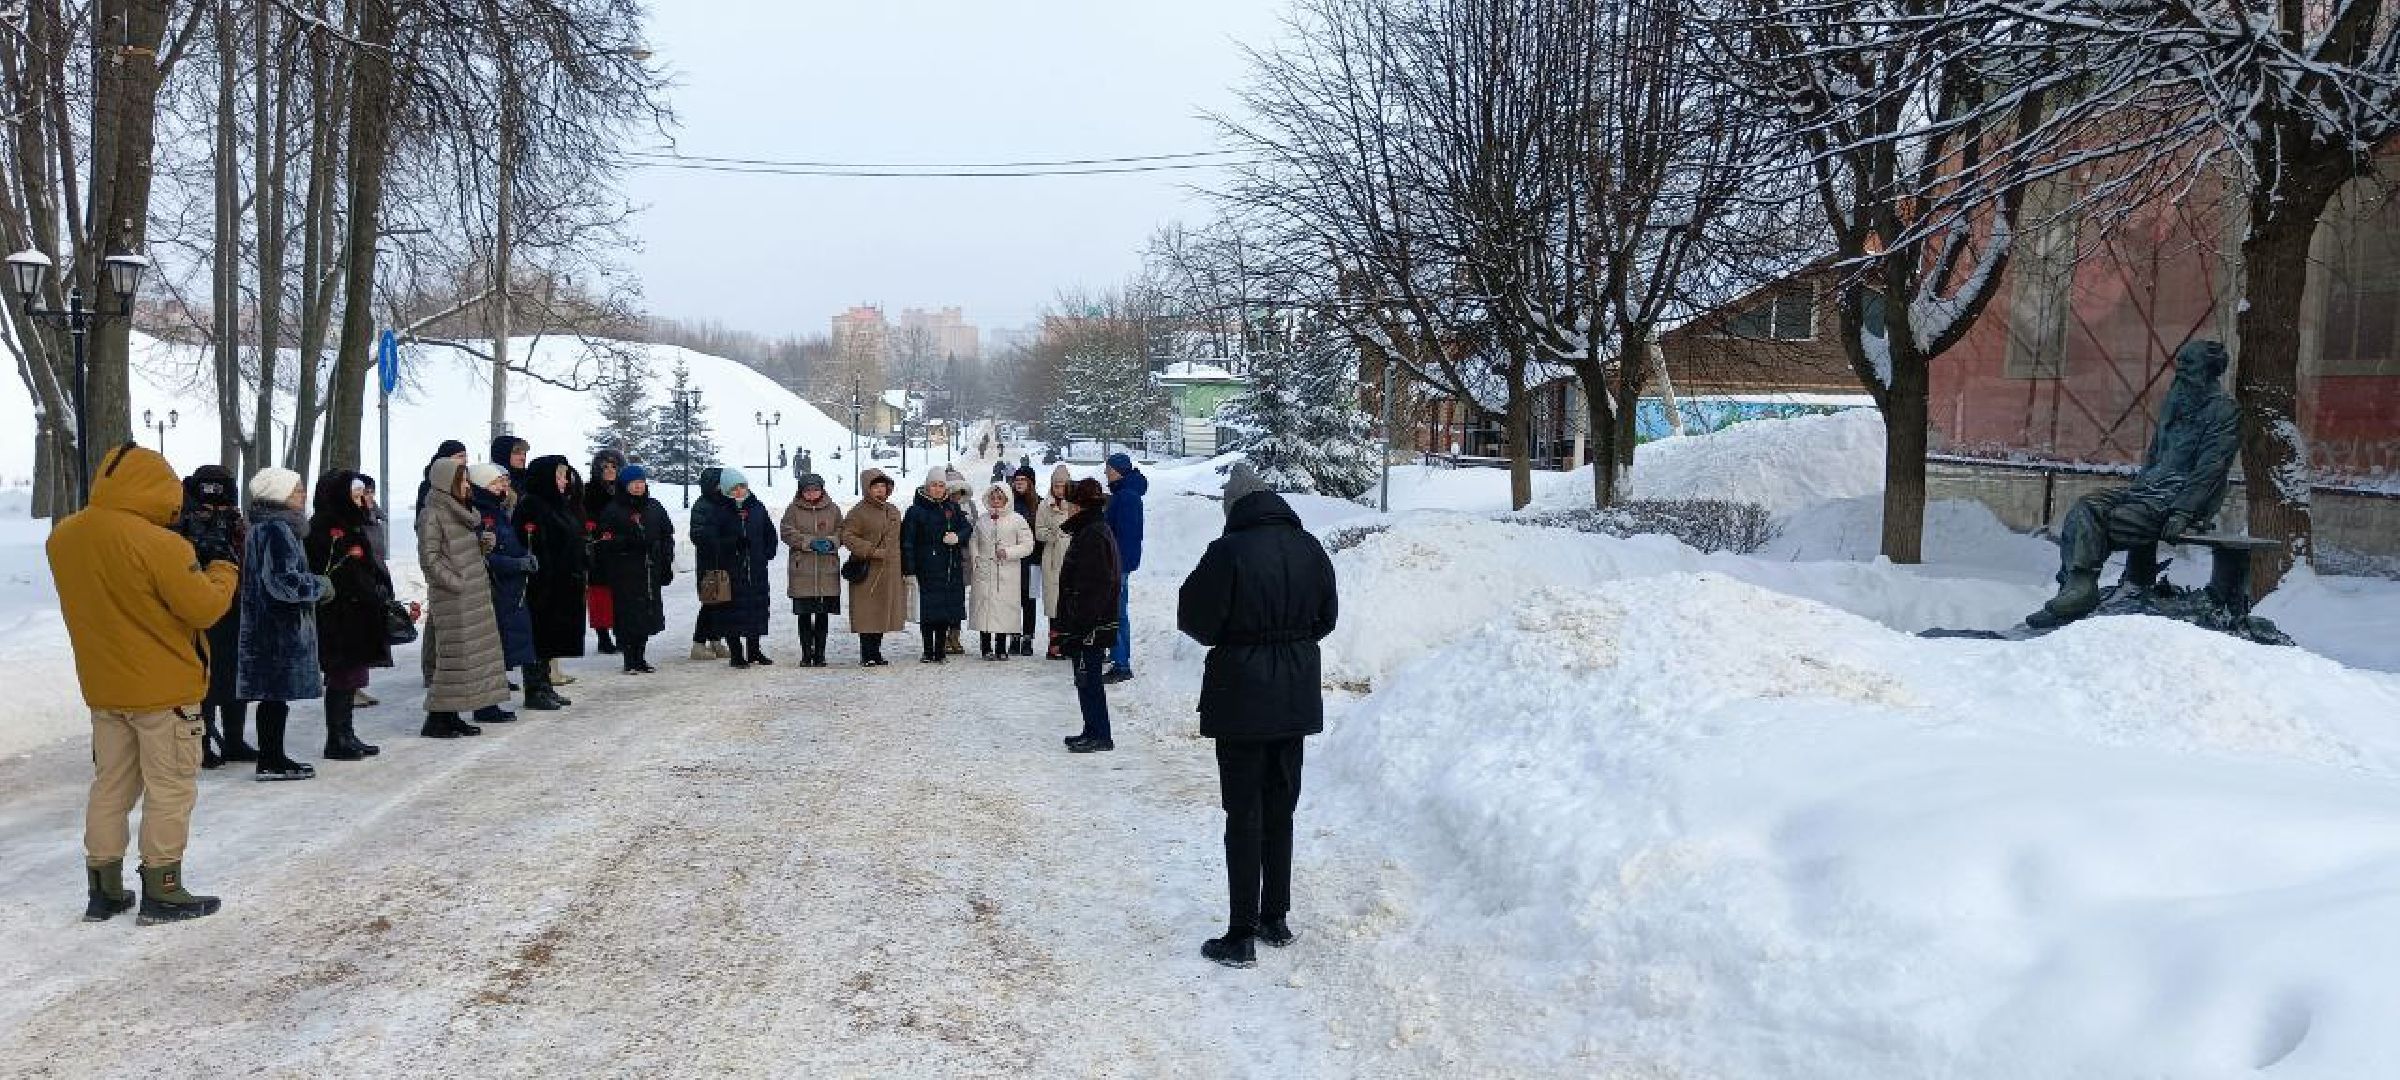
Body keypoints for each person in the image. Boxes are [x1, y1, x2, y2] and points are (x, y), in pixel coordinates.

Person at [50, 444, 239, 924]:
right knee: (170, 789)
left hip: (105, 688)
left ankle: (104, 890)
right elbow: (203, 608)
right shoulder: (160, 545)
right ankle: (163, 889)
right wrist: (222, 566)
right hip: (165, 691)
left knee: (110, 787)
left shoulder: (64, 537)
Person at [1177, 463, 1342, 969]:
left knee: (1243, 813)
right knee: (1280, 809)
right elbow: (1327, 617)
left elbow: (1196, 618)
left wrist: (1242, 637)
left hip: (1241, 695)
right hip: (1294, 693)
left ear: (1234, 507)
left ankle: (1241, 933)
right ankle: (1275, 917)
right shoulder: (1310, 547)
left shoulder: (1227, 551)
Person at [2026, 338, 2243, 628]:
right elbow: (2155, 454)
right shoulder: (2176, 401)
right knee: (2086, 506)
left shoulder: (2224, 410)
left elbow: (2211, 468)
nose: (2180, 368)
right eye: (2179, 361)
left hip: (2181, 498)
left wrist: (2184, 512)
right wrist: (2140, 487)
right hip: (2149, 488)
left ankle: (2081, 590)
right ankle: (2077, 587)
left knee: (2112, 522)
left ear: (2209, 369)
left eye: (2189, 363)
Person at [235, 467, 328, 782]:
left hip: (267, 624)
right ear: (279, 494)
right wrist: (319, 586)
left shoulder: (266, 526)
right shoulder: (277, 529)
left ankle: (272, 757)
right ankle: (271, 760)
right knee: (274, 697)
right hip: (277, 628)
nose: (302, 494)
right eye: (296, 490)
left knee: (273, 697)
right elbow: (282, 581)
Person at [418, 458, 514, 735]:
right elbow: (430, 559)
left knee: (477, 655)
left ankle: (458, 712)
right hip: (454, 598)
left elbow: (457, 551)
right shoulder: (433, 513)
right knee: (453, 659)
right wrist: (456, 583)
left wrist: (481, 545)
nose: (466, 486)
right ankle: (437, 718)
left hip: (473, 594)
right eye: (461, 481)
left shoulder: (460, 510)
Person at [304, 470, 393, 762]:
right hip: (340, 614)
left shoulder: (353, 523)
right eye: (355, 496)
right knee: (342, 674)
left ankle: (346, 733)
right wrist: (364, 588)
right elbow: (334, 571)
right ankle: (337, 738)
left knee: (352, 675)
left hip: (358, 611)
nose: (361, 501)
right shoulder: (325, 527)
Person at [176, 465, 254, 767]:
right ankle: (203, 743)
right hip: (202, 604)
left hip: (235, 603)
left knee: (234, 675)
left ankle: (234, 740)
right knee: (206, 676)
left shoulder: (234, 521)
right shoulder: (184, 522)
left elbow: (244, 554)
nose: (216, 511)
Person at [471, 463, 553, 711]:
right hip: (498, 587)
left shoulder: (498, 510)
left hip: (514, 587)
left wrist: (525, 556)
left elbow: (509, 543)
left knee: (521, 637)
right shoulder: (480, 513)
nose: (502, 486)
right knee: (497, 644)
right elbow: (484, 556)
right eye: (496, 482)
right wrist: (516, 564)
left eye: (503, 481)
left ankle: (535, 689)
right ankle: (490, 703)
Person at [1055, 479, 1123, 752]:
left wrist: (1083, 622)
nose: (1067, 508)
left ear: (1079, 506)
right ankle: (1092, 729)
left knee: (1089, 678)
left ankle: (1100, 734)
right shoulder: (1090, 530)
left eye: (1070, 503)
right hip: (1086, 621)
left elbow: (1096, 584)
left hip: (1089, 624)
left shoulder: (1093, 533)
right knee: (1085, 678)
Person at [517, 455, 590, 697]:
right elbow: (532, 546)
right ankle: (535, 688)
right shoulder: (532, 505)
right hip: (544, 584)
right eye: (558, 476)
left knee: (551, 638)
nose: (564, 481)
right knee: (541, 636)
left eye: (565, 476)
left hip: (562, 582)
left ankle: (545, 684)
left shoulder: (559, 504)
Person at [592, 465, 675, 674]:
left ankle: (641, 657)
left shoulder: (654, 507)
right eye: (633, 483)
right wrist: (628, 542)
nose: (638, 486)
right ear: (624, 485)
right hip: (625, 573)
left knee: (647, 614)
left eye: (641, 482)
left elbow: (667, 535)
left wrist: (666, 560)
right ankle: (630, 659)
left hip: (650, 571)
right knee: (628, 616)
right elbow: (604, 541)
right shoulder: (613, 510)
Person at [695, 466, 779, 668]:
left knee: (756, 610)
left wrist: (768, 551)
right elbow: (709, 539)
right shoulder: (720, 511)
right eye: (734, 488)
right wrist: (732, 543)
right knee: (732, 613)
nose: (739, 491)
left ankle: (754, 651)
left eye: (742, 486)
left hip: (756, 570)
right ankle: (736, 654)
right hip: (731, 570)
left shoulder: (757, 507)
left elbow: (769, 532)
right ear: (725, 490)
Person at [902, 466, 974, 663]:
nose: (937, 489)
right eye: (933, 485)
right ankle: (928, 651)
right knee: (927, 612)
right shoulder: (915, 511)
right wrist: (909, 570)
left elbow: (967, 528)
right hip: (925, 568)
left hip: (949, 568)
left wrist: (957, 537)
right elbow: (907, 542)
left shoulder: (952, 508)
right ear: (927, 486)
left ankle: (940, 651)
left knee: (944, 611)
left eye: (941, 485)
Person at [416, 440, 470, 688]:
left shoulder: (463, 483)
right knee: (438, 618)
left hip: (460, 556)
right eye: (459, 456)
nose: (463, 461)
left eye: (465, 456)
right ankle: (432, 669)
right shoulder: (431, 487)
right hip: (442, 558)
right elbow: (427, 528)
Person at [840, 469, 906, 666]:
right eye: (875, 486)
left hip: (889, 570)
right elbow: (847, 536)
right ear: (867, 489)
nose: (880, 490)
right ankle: (867, 654)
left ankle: (876, 652)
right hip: (868, 569)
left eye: (882, 486)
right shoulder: (858, 512)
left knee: (882, 612)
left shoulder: (893, 510)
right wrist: (871, 551)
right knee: (867, 613)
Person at [779, 472, 845, 667]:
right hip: (803, 570)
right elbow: (786, 532)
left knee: (822, 614)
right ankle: (807, 654)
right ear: (801, 491)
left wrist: (832, 542)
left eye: (815, 489)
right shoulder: (793, 510)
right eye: (807, 490)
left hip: (826, 570)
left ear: (822, 490)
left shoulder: (833, 509)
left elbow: (842, 530)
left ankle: (820, 654)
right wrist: (809, 542)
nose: (811, 493)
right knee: (804, 614)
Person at [970, 484, 1037, 660]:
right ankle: (986, 647)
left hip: (1007, 572)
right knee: (984, 608)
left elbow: (1028, 545)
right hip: (985, 570)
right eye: (993, 498)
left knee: (1003, 609)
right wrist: (976, 558)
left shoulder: (1017, 520)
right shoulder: (982, 520)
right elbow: (974, 540)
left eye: (1000, 498)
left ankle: (1001, 647)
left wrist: (1008, 552)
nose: (996, 501)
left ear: (1007, 499)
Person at [1102, 453, 1148, 683]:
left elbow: (1126, 536)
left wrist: (1115, 562)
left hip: (1117, 564)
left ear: (1118, 471)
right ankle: (1117, 656)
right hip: (1118, 562)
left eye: (1108, 469)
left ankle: (1121, 665)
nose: (1106, 473)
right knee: (1117, 612)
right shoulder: (1124, 493)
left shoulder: (1126, 497)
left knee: (1116, 613)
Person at [352, 473, 390, 710]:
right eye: (364, 493)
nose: (368, 497)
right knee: (356, 637)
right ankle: (350, 687)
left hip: (375, 576)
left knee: (367, 636)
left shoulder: (373, 516)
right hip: (361, 580)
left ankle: (357, 685)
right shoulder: (356, 519)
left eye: (371, 492)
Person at [584, 450, 627, 654]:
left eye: (614, 467)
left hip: (621, 550)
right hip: (598, 550)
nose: (610, 471)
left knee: (622, 593)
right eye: (605, 467)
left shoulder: (625, 491)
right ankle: (603, 636)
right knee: (600, 594)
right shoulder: (588, 492)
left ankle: (622, 633)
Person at [689, 465, 732, 661]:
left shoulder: (726, 502)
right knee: (710, 603)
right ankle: (698, 643)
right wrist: (719, 537)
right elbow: (697, 535)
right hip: (709, 563)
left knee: (722, 603)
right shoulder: (703, 505)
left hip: (725, 561)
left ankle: (716, 640)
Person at [1035, 464, 1076, 660]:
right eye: (1056, 486)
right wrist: (1052, 535)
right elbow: (1038, 531)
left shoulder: (1075, 504)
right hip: (1052, 558)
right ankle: (1054, 646)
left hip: (1072, 557)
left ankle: (1070, 645)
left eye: (1063, 486)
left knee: (1071, 604)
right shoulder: (1045, 505)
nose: (1060, 490)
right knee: (1054, 605)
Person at [1011, 465, 1043, 656]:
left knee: (1029, 601)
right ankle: (1014, 636)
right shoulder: (1009, 503)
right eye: (1017, 479)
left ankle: (1028, 638)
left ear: (1031, 482)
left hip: (1033, 560)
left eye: (1023, 479)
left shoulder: (1039, 504)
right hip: (1013, 560)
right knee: (1013, 600)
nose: (1019, 483)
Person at [943, 466, 975, 654]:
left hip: (962, 557)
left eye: (959, 491)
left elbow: (973, 528)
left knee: (958, 599)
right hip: (945, 556)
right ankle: (944, 636)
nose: (956, 495)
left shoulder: (970, 506)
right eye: (952, 491)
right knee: (944, 599)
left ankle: (955, 635)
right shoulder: (941, 507)